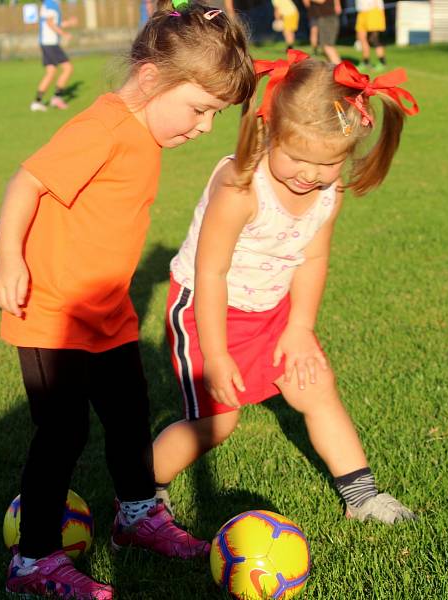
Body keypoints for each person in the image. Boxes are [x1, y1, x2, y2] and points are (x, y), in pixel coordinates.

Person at [0, 3, 255, 598]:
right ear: (151, 79)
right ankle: (32, 561)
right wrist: (9, 257)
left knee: (130, 415)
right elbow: (27, 181)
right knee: (62, 433)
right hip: (54, 310)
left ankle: (137, 516)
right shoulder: (104, 128)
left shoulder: (141, 132)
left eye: (213, 114)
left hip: (108, 312)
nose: (204, 127)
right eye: (200, 109)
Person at [152, 49, 419, 528]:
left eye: (328, 163)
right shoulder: (239, 190)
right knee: (217, 420)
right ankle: (141, 492)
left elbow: (313, 259)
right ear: (269, 129)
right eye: (296, 157)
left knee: (316, 388)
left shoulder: (328, 194)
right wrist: (215, 355)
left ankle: (362, 496)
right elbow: (211, 273)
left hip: (273, 308)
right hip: (207, 308)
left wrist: (300, 328)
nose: (309, 175)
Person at [30, 0, 77, 112]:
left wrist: (68, 23)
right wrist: (64, 34)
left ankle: (37, 102)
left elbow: (54, 23)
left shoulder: (48, 4)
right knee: (68, 68)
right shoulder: (51, 4)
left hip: (46, 43)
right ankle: (57, 97)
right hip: (50, 43)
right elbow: (50, 23)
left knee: (51, 72)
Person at [355, 0, 387, 71]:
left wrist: (382, 14)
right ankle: (365, 62)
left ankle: (382, 62)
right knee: (361, 38)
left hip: (373, 11)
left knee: (373, 39)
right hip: (361, 11)